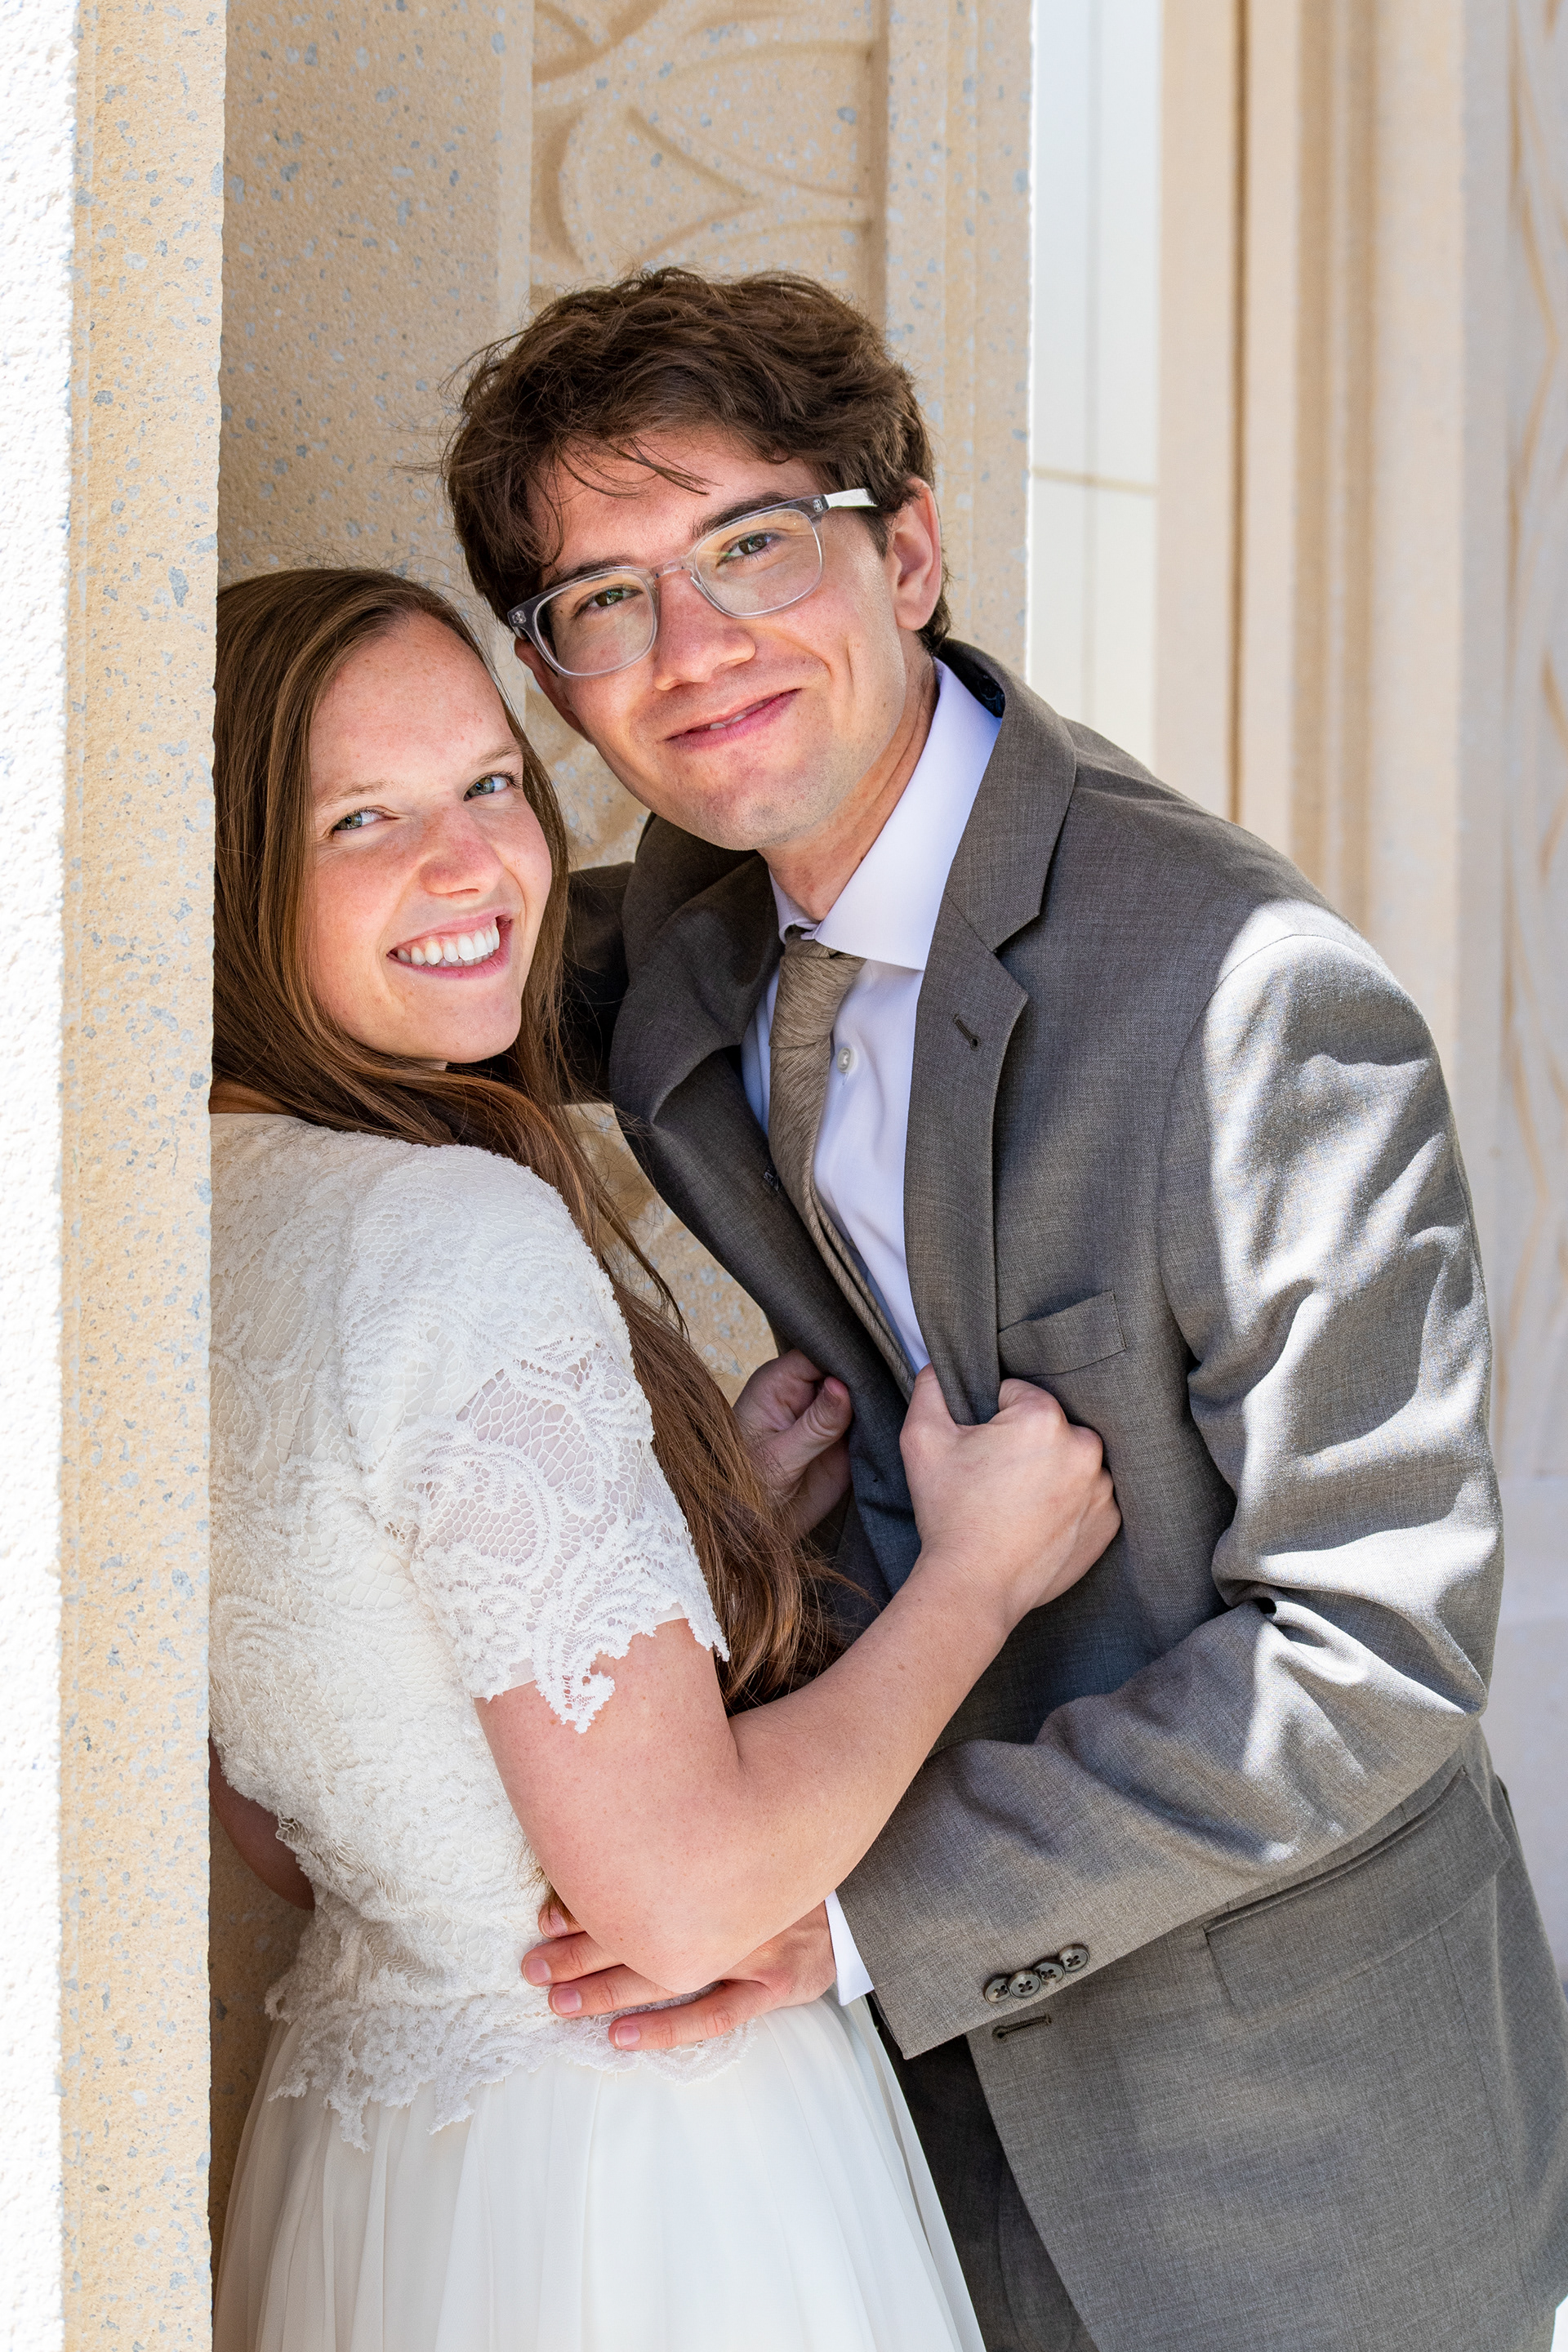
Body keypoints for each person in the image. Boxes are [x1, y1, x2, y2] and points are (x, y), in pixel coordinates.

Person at [441, 265, 1568, 2352]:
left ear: (911, 551)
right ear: (556, 678)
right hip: (898, 2161)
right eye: (606, 599)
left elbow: (1376, 1653)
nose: (694, 650)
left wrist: (852, 1913)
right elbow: (395, 955)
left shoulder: (1256, 1007)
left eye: (751, 546)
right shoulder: (696, 926)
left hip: (1291, 2156)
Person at [204, 565, 1120, 2352]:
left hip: (379, 2172)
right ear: (233, 870)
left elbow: (297, 1822)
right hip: (639, 2182)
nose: (473, 866)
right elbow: (685, 1898)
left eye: (491, 783)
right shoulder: (453, 1237)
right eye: (362, 819)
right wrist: (976, 1576)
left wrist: (658, 1564)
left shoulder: (170, 1225)